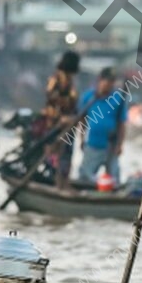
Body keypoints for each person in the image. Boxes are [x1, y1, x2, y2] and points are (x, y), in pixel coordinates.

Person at [77, 68, 128, 185]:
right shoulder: (88, 97)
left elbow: (121, 124)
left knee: (113, 180)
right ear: (100, 80)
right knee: (85, 177)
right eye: (107, 81)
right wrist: (82, 139)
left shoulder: (117, 99)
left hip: (111, 146)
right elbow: (82, 120)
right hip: (92, 145)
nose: (109, 85)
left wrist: (120, 145)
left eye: (112, 82)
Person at [39, 51, 80, 187]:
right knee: (55, 155)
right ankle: (55, 183)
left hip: (69, 126)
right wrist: (62, 117)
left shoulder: (70, 80)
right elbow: (51, 98)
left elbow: (73, 103)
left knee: (66, 156)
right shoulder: (56, 79)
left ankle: (63, 183)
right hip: (55, 125)